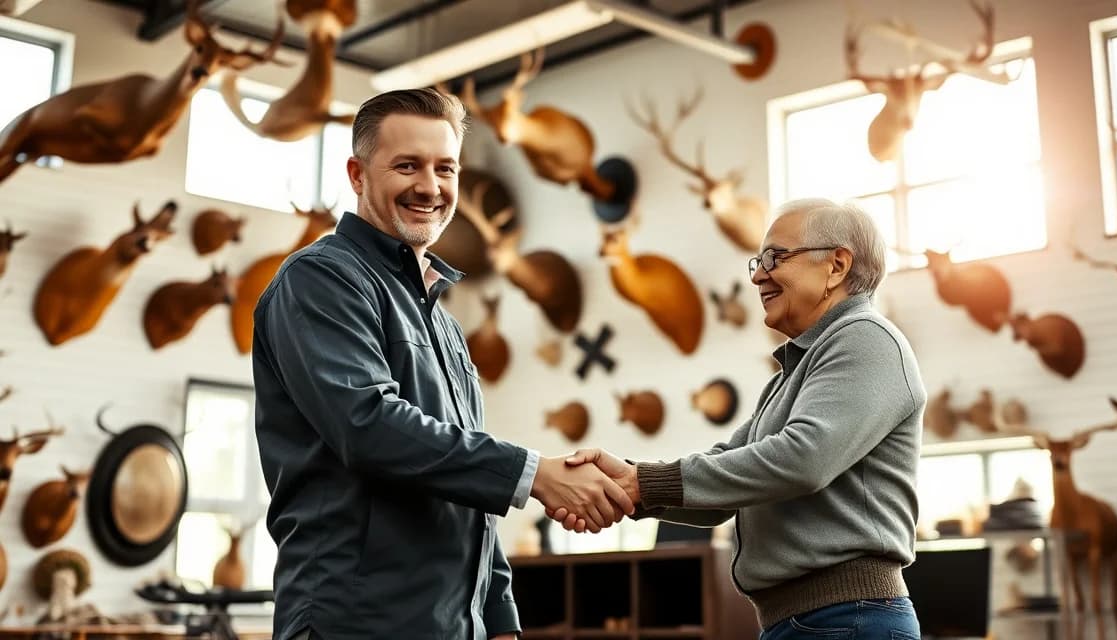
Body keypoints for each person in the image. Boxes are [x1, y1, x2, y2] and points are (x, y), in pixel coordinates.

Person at [253, 88, 634, 640]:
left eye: (444, 168)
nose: (429, 187)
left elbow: (463, 481)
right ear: (358, 175)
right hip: (356, 623)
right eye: (407, 165)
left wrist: (499, 617)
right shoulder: (319, 280)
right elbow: (367, 426)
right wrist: (535, 474)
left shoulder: (445, 322)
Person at [552, 199, 926, 640]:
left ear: (837, 266)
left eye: (775, 258)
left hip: (847, 620)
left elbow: (803, 459)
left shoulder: (866, 339)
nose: (756, 276)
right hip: (810, 622)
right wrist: (631, 485)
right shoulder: (790, 378)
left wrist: (642, 484)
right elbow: (726, 482)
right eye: (758, 260)